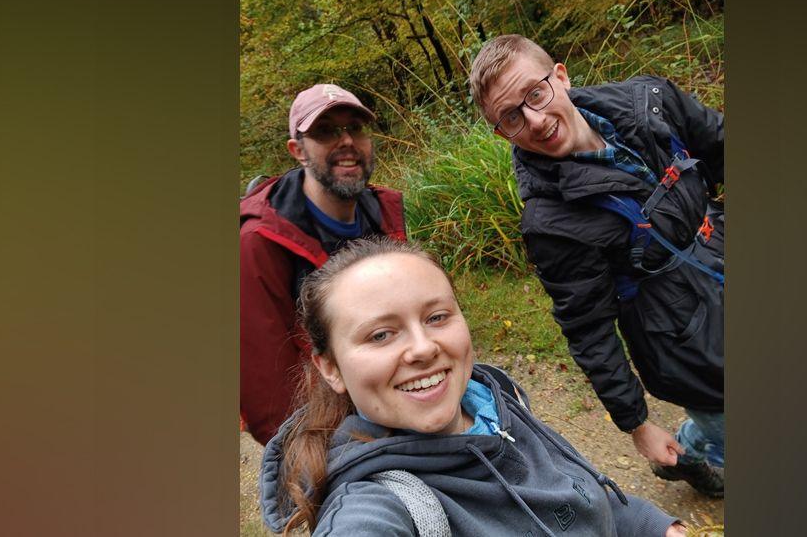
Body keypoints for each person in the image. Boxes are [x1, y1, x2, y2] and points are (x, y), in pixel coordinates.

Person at [258, 237, 687, 537]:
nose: (423, 348)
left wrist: (652, 526)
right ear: (330, 367)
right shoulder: (376, 504)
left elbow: (572, 493)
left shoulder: (496, 399)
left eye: (437, 317)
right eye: (380, 335)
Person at [469, 35, 725, 497]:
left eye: (536, 93)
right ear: (500, 132)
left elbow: (722, 144)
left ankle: (694, 446)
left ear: (561, 76)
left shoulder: (650, 103)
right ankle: (699, 452)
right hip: (685, 342)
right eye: (511, 117)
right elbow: (588, 328)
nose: (535, 119)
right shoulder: (550, 222)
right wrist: (637, 423)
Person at [240, 84, 406, 445]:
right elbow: (267, 390)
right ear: (297, 151)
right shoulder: (258, 244)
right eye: (326, 131)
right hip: (328, 431)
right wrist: (312, 458)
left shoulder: (384, 216)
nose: (346, 140)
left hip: (395, 402)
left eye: (355, 128)